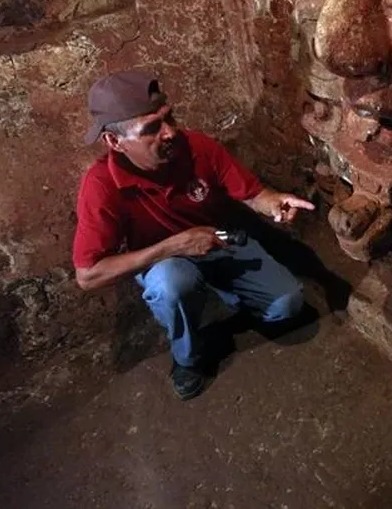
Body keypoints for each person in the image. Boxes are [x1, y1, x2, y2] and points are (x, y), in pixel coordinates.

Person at [72, 71, 314, 400]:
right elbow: (88, 275)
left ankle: (226, 293)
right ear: (115, 142)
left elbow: (251, 193)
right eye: (151, 128)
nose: (171, 132)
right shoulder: (101, 185)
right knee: (170, 285)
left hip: (219, 240)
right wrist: (172, 247)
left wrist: (273, 202)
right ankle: (188, 358)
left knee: (288, 304)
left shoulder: (196, 146)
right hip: (164, 262)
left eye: (169, 117)